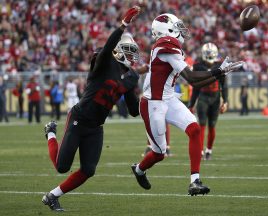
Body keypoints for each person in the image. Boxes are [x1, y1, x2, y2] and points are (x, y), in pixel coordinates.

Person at [131, 13, 244, 196]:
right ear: (166, 30)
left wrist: (219, 73)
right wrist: (218, 71)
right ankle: (139, 169)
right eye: (177, 27)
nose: (181, 31)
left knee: (195, 129)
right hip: (153, 103)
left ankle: (195, 181)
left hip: (168, 99)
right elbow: (192, 79)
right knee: (159, 153)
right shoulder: (164, 46)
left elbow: (195, 82)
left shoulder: (171, 49)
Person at [42, 6, 141, 211]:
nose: (132, 58)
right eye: (129, 52)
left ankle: (53, 196)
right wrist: (124, 25)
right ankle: (51, 133)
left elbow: (133, 111)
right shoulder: (104, 61)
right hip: (79, 118)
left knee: (88, 170)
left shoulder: (129, 76)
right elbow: (106, 48)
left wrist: (138, 91)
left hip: (96, 126)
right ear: (119, 50)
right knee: (62, 167)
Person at [188, 43, 228, 160]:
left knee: (212, 126)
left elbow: (223, 85)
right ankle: (200, 150)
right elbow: (196, 86)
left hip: (215, 98)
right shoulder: (198, 65)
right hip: (203, 97)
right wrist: (192, 103)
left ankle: (209, 151)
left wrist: (225, 101)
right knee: (202, 125)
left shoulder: (220, 65)